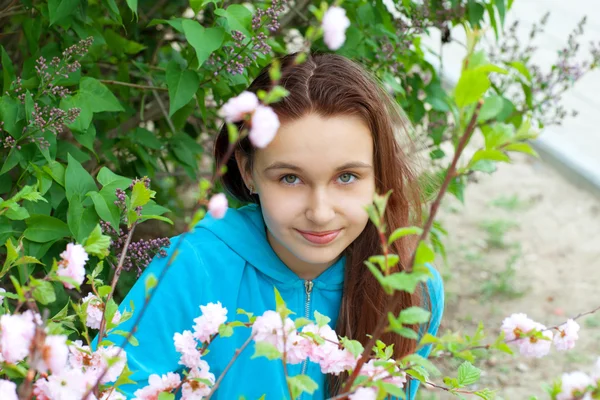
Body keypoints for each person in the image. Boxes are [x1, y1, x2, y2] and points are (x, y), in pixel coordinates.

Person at [107, 52, 444, 399]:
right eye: (290, 178)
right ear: (247, 170)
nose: (320, 212)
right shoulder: (191, 268)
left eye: (347, 176)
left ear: (378, 175)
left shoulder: (413, 291)